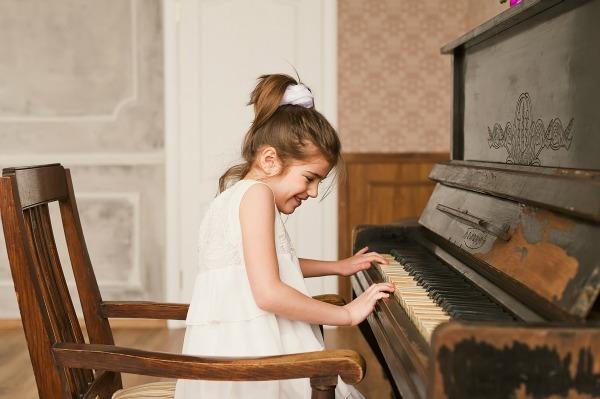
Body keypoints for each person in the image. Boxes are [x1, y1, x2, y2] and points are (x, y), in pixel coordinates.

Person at [174, 74, 394, 399]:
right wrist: (345, 314)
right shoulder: (257, 196)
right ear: (270, 159)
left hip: (238, 354)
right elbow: (269, 293)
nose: (314, 192)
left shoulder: (238, 196)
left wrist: (339, 266)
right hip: (254, 363)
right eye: (310, 178)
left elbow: (268, 264)